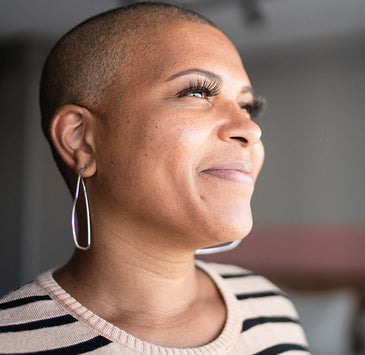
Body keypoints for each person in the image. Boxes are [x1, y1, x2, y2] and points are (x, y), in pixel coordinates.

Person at [0, 2, 309, 354]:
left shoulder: (271, 308)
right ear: (81, 139)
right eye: (197, 93)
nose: (250, 129)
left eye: (247, 107)